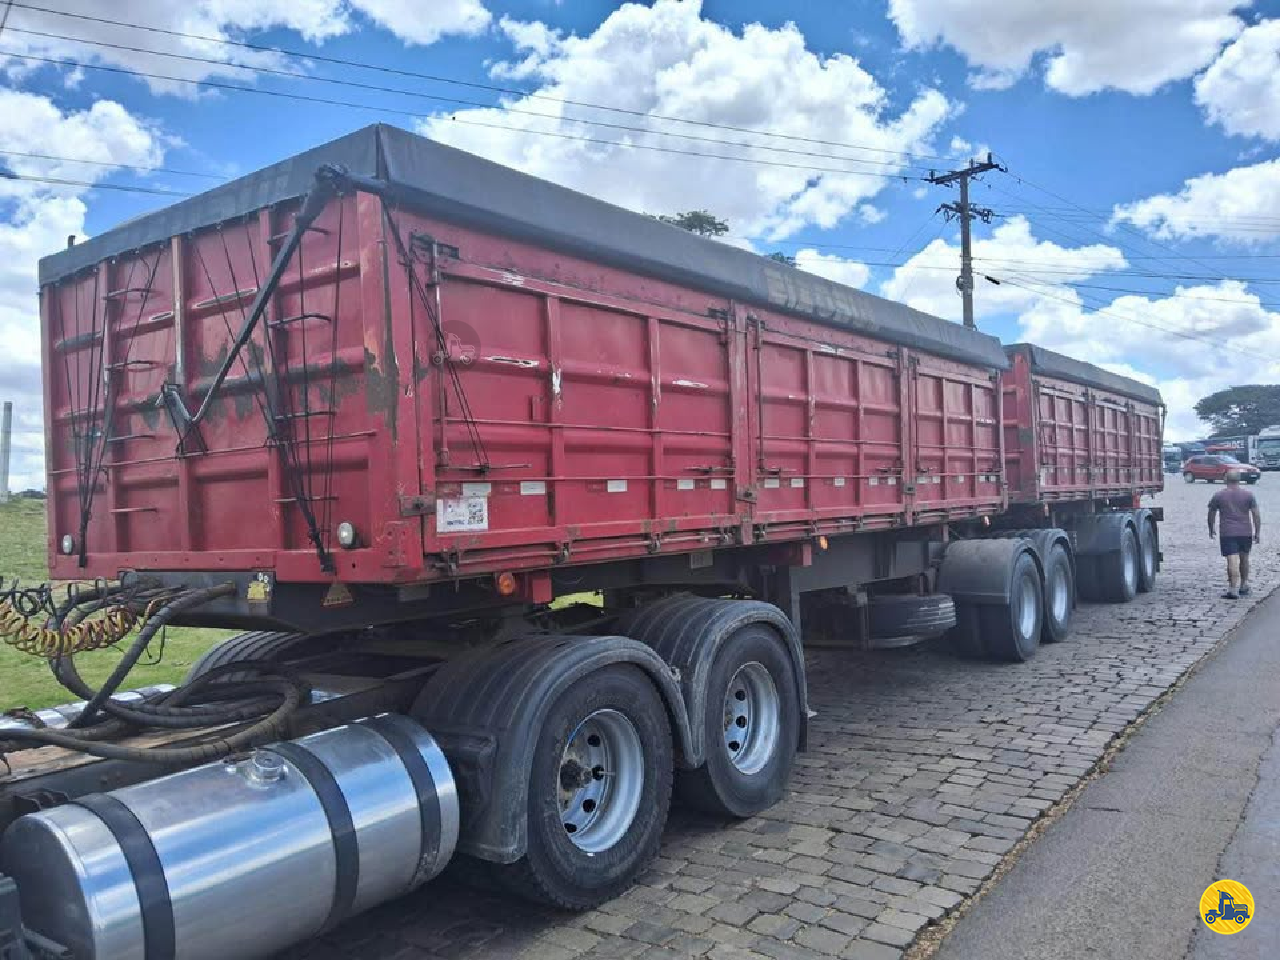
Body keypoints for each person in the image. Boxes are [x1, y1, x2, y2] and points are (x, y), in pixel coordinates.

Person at [1208, 468, 1261, 599]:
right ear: (1239, 480)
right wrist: (1257, 532)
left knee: (1232, 560)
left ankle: (1232, 589)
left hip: (1228, 532)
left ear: (1225, 479)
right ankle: (1243, 585)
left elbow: (1211, 513)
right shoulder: (1248, 495)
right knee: (1244, 559)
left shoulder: (1218, 495)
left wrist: (1211, 528)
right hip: (1245, 531)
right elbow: (1256, 514)